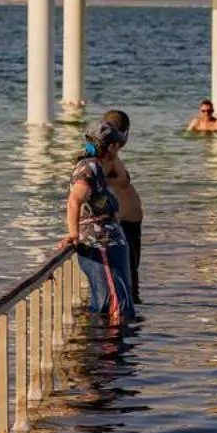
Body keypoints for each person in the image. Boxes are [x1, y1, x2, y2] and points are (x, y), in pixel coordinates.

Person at [59, 121, 135, 321]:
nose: (118, 150)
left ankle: (108, 337)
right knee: (115, 304)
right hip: (101, 244)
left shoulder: (95, 166)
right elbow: (75, 200)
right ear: (111, 146)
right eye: (117, 146)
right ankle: (110, 340)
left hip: (107, 244)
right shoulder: (89, 168)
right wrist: (74, 234)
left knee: (111, 301)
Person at [100, 108, 146, 303]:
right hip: (123, 224)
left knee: (130, 274)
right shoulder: (106, 157)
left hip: (128, 224)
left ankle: (130, 310)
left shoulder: (112, 154)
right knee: (127, 275)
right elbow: (93, 180)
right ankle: (127, 313)